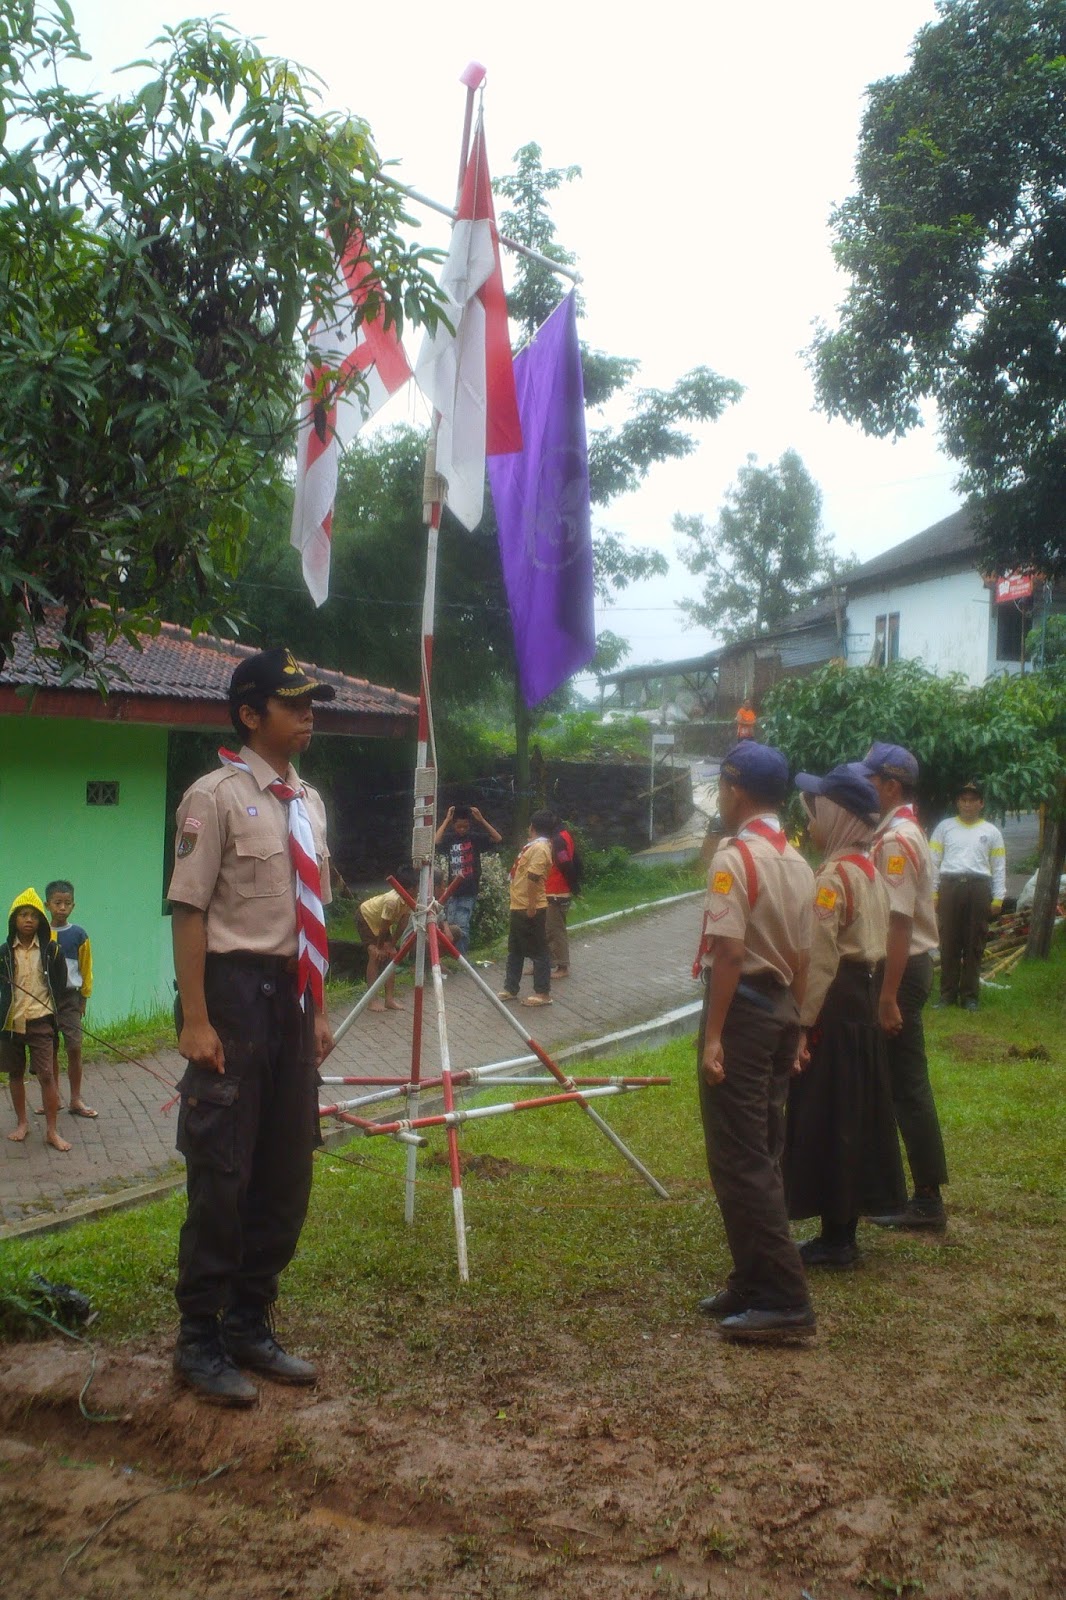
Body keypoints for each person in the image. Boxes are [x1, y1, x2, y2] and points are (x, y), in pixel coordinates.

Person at [167, 647, 335, 1407]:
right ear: (249, 714)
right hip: (233, 997)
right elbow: (190, 912)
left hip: (294, 999)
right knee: (223, 1173)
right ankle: (198, 1339)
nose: (308, 715)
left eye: (311, 704)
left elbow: (315, 911)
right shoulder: (215, 798)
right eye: (294, 703)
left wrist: (321, 1009)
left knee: (284, 1169)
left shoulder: (311, 802)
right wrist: (196, 1018)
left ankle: (249, 1323)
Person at [694, 742, 816, 1341]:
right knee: (761, 1149)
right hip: (779, 1008)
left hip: (741, 1013)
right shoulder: (795, 859)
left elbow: (729, 952)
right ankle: (751, 1277)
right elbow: (803, 955)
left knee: (741, 1158)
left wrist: (713, 1036)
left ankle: (785, 1299)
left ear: (735, 791)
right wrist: (794, 1020)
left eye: (721, 786)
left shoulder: (734, 857)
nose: (720, 796)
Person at [784, 764, 905, 1268]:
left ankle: (837, 1239)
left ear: (837, 817)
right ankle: (843, 1230)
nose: (811, 823)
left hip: (836, 1007)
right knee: (854, 1117)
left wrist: (800, 1023)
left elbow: (821, 958)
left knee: (829, 1117)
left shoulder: (833, 878)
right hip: (863, 1009)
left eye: (816, 812)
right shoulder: (870, 869)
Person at [860, 742, 948, 1232]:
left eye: (871, 781)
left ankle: (928, 1201)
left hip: (902, 967)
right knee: (898, 1082)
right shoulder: (900, 831)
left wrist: (888, 996)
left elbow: (897, 923)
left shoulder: (896, 840)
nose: (865, 788)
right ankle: (907, 1193)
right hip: (906, 966)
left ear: (891, 786)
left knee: (908, 1085)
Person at [1, 889, 71, 1152]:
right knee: (15, 1074)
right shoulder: (4, 953)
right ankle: (22, 1123)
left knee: (46, 1075)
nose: (28, 920)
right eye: (23, 915)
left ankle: (52, 1131)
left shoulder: (52, 951)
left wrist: (58, 1016)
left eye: (33, 916)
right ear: (14, 920)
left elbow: (61, 985)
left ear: (41, 921)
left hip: (41, 1021)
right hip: (11, 1023)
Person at [930, 780, 1006, 1011]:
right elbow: (933, 862)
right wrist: (933, 892)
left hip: (979, 887)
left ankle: (970, 996)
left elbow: (999, 865)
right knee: (949, 942)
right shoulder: (944, 828)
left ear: (981, 803)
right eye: (963, 800)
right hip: (950, 886)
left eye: (973, 800)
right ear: (957, 803)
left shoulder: (991, 832)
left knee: (975, 943)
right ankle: (947, 995)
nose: (968, 804)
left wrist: (998, 897)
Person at [45, 880, 96, 1119]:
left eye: (67, 903)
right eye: (57, 903)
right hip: (45, 999)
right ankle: (52, 1098)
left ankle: (76, 1098)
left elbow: (86, 968)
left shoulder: (79, 935)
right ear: (47, 905)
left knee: (74, 1047)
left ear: (73, 906)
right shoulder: (41, 933)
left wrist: (84, 997)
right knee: (50, 1049)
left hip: (69, 999)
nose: (62, 908)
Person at [498, 809, 555, 1007]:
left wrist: (531, 906)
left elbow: (533, 877)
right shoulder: (533, 846)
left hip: (531, 907)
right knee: (515, 949)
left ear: (533, 826)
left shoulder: (540, 848)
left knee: (538, 951)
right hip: (518, 905)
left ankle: (542, 993)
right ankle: (510, 987)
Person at [434, 804, 503, 957]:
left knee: (463, 925)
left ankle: (462, 958)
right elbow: (436, 841)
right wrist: (446, 820)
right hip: (452, 890)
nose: (462, 830)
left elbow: (497, 838)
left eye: (465, 827)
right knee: (451, 925)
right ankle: (452, 956)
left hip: (469, 890)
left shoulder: (474, 838)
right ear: (454, 826)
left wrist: (482, 820)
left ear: (469, 825)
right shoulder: (450, 839)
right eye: (459, 827)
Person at [357, 869, 418, 1011]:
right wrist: (379, 946)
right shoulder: (392, 901)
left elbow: (403, 922)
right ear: (410, 888)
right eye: (417, 887)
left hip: (384, 923)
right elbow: (384, 926)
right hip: (367, 917)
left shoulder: (410, 900)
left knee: (392, 955)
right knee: (375, 955)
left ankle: (389, 999)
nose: (418, 889)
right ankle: (372, 1000)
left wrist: (391, 944)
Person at [545, 813, 580, 979]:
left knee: (555, 929)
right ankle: (550, 962)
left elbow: (565, 862)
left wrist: (574, 887)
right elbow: (574, 860)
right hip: (554, 889)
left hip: (557, 890)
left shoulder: (558, 840)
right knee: (549, 929)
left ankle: (562, 966)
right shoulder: (563, 835)